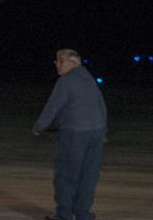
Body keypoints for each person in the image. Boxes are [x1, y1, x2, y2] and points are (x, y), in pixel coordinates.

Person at [34, 48, 108, 220]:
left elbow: (52, 107)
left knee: (66, 174)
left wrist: (39, 127)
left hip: (75, 133)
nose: (57, 65)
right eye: (56, 61)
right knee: (88, 175)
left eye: (61, 61)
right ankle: (83, 214)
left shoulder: (66, 81)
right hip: (95, 132)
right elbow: (101, 105)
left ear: (73, 63)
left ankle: (64, 215)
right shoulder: (89, 79)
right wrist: (103, 131)